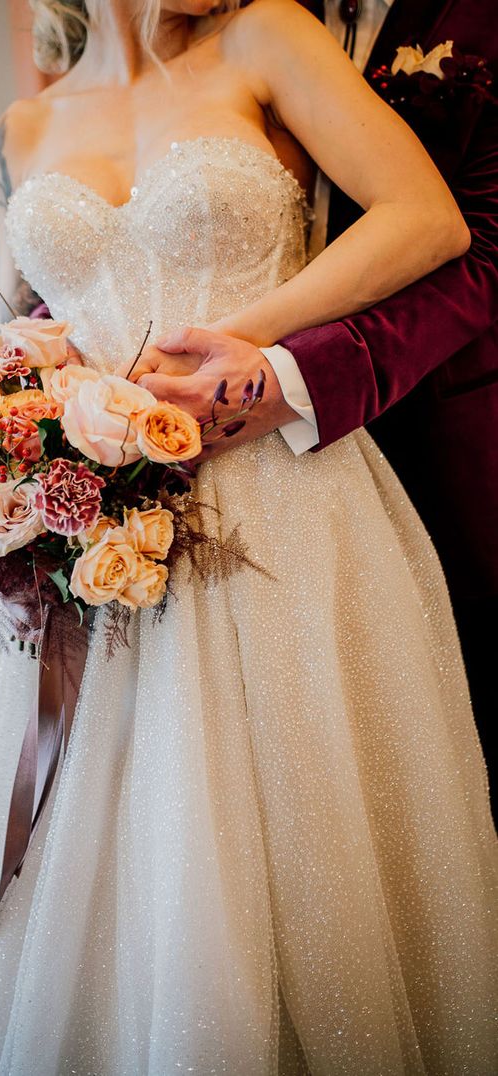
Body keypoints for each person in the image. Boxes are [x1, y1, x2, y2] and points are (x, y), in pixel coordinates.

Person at [0, 2, 495, 1073]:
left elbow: (426, 222)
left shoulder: (268, 38)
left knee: (297, 817)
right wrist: (12, 413)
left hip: (280, 495)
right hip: (90, 532)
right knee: (104, 843)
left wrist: (248, 343)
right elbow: (36, 320)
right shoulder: (20, 128)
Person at [132, 0, 498, 815]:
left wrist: (288, 376)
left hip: (442, 443)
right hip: (204, 473)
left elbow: (482, 242)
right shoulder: (232, 23)